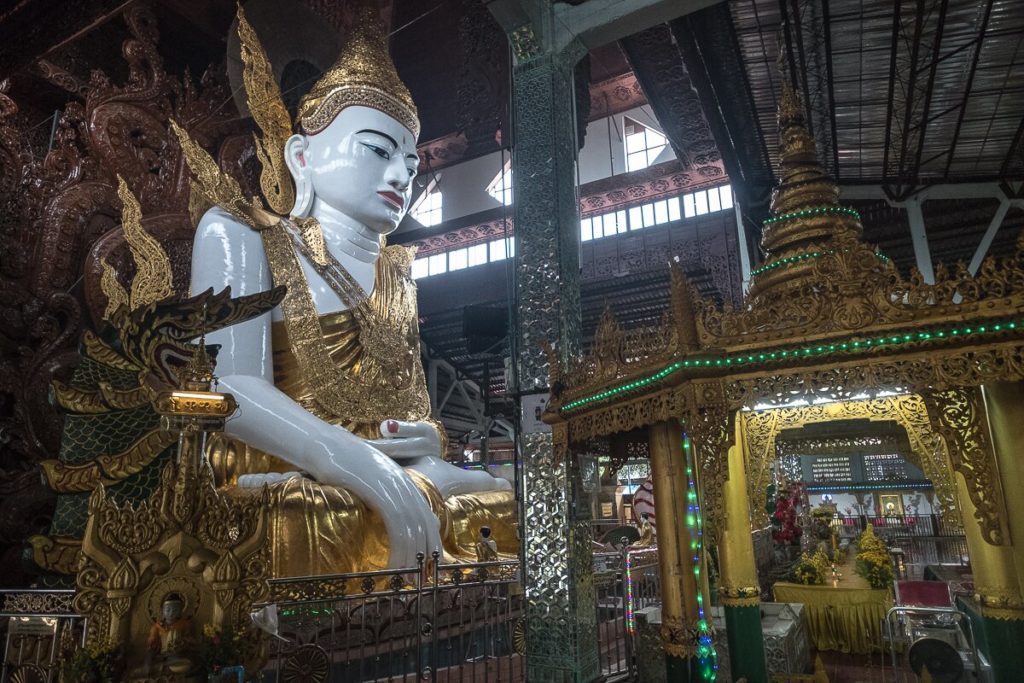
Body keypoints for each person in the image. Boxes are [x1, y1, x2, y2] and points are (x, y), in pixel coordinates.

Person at [189, 5, 510, 574]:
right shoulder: (241, 233)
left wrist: (426, 440)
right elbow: (224, 387)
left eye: (411, 163)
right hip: (293, 462)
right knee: (303, 514)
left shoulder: (398, 277)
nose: (401, 176)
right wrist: (343, 455)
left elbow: (410, 409)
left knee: (506, 497)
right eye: (378, 149)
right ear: (302, 155)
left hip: (395, 465)